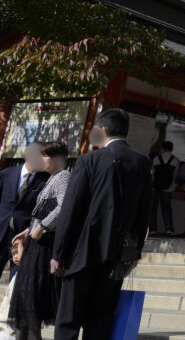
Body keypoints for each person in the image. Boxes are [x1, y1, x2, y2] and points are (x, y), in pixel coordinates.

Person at [52, 109, 151, 340]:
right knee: (101, 319)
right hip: (117, 254)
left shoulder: (90, 160)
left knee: (68, 318)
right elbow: (144, 212)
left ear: (103, 130)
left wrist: (58, 253)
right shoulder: (142, 163)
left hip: (82, 251)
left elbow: (71, 210)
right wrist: (135, 253)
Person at [7, 142, 70, 340]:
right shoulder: (52, 179)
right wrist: (28, 231)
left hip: (44, 249)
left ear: (51, 158)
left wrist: (42, 227)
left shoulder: (63, 177)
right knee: (25, 306)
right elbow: (40, 214)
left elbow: (63, 208)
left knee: (32, 305)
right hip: (35, 246)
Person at [0, 143, 50, 280]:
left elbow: (43, 210)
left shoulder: (45, 180)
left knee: (16, 278)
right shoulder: (6, 174)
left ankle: (11, 302)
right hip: (1, 230)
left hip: (21, 236)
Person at [150, 140, 179, 236]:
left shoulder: (156, 159)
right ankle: (169, 228)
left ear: (162, 148)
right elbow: (175, 176)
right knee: (166, 209)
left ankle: (152, 229)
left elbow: (152, 173)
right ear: (172, 149)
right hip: (167, 188)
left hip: (155, 187)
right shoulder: (175, 160)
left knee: (153, 208)